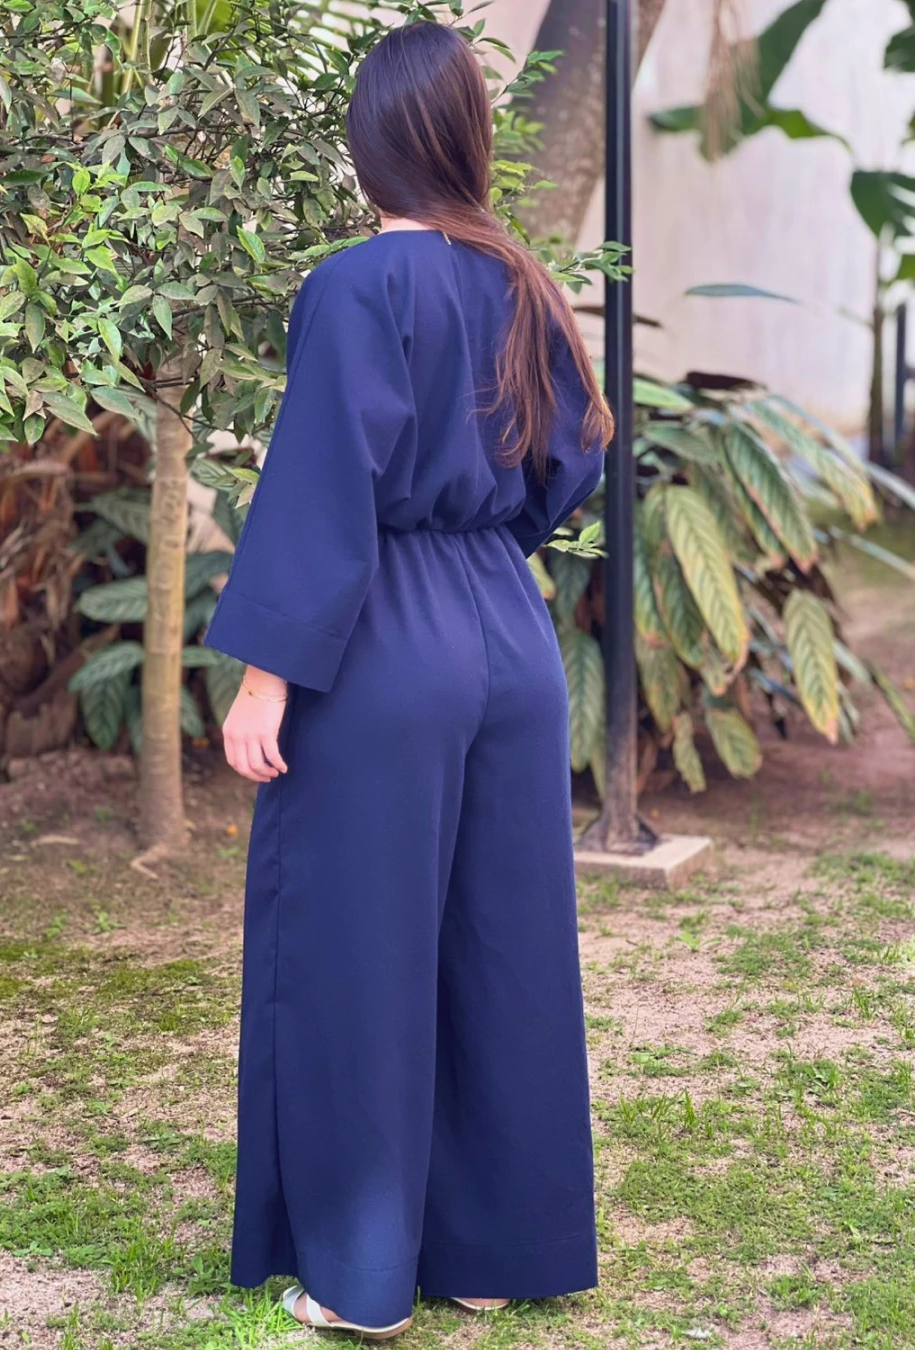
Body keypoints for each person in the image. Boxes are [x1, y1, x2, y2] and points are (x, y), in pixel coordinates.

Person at [203, 18, 612, 1341]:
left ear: (368, 144)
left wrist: (268, 679)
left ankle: (365, 1273)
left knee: (355, 947)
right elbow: (580, 451)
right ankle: (492, 1254)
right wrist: (485, 546)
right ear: (472, 138)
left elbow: (325, 485)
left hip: (383, 640)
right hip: (508, 633)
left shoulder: (354, 288)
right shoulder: (523, 283)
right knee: (503, 945)